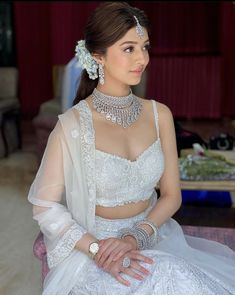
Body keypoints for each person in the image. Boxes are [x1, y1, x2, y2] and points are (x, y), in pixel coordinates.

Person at [28, 2, 235, 294]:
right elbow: (45, 206)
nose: (142, 58)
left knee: (179, 277)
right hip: (95, 252)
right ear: (98, 55)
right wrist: (100, 249)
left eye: (145, 47)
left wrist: (135, 237)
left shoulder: (159, 114)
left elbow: (172, 196)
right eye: (129, 49)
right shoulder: (72, 126)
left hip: (151, 234)